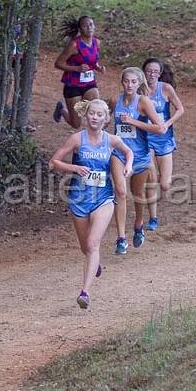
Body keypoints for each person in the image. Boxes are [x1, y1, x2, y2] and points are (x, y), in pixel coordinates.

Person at [49, 99, 130, 309]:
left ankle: (84, 292)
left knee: (93, 244)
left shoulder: (111, 140)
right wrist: (73, 168)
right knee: (85, 247)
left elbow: (128, 151)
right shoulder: (77, 139)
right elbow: (53, 162)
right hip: (78, 198)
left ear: (106, 119)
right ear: (86, 116)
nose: (94, 117)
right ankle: (95, 265)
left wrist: (128, 165)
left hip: (103, 198)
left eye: (99, 115)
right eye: (91, 114)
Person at [111, 68, 165, 255]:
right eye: (126, 81)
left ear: (139, 83)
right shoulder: (115, 101)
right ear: (122, 82)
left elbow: (160, 128)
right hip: (119, 154)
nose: (129, 85)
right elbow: (102, 119)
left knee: (137, 193)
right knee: (120, 191)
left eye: (134, 82)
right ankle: (121, 238)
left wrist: (134, 122)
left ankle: (138, 223)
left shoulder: (143, 102)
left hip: (140, 155)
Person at [142, 58, 184, 232]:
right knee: (151, 180)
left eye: (155, 72)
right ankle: (153, 218)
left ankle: (155, 208)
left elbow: (181, 109)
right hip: (146, 140)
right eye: (148, 71)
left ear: (159, 74)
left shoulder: (166, 89)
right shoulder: (139, 90)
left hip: (164, 140)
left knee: (164, 185)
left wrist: (168, 123)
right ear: (143, 72)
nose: (151, 74)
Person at [51, 15, 104, 129]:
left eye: (91, 24)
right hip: (73, 85)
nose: (89, 28)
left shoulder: (96, 42)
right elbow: (58, 64)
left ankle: (94, 139)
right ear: (80, 29)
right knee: (76, 124)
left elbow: (92, 60)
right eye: (85, 26)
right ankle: (62, 109)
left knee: (96, 109)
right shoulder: (74, 44)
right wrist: (77, 68)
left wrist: (98, 67)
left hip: (89, 84)